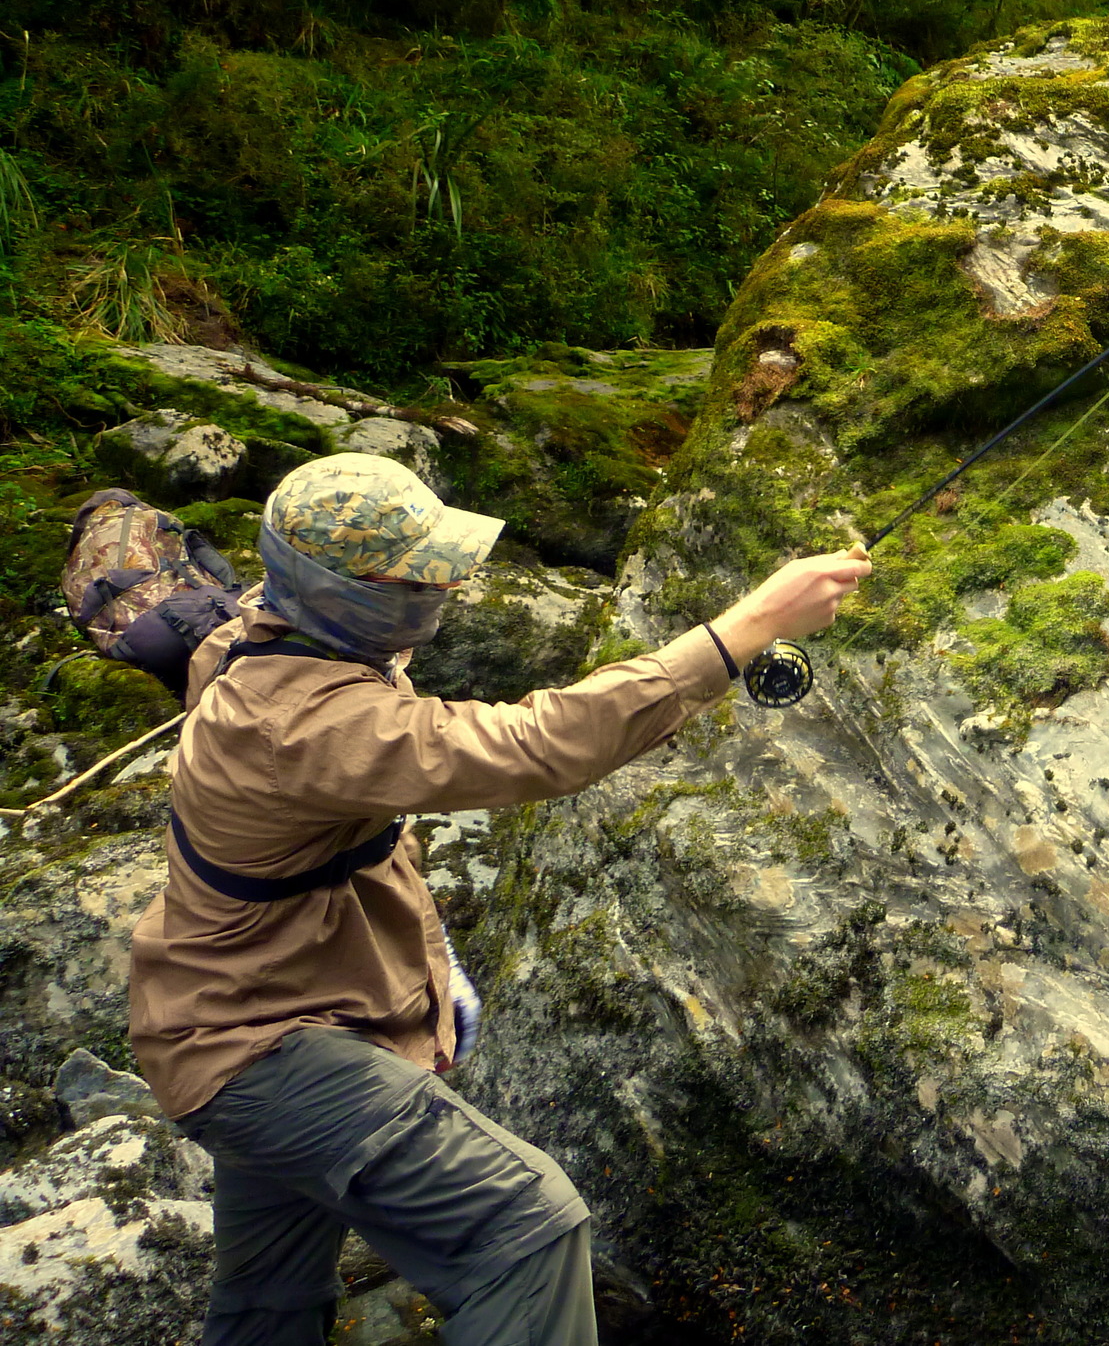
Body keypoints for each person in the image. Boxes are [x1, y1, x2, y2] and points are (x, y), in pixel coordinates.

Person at [125, 453, 870, 1346]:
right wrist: (743, 630)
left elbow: (359, 846)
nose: (441, 586)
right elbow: (533, 745)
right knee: (529, 1228)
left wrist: (433, 971)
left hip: (236, 1017)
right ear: (343, 591)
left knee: (271, 1300)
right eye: (415, 575)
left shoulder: (278, 640)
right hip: (258, 1050)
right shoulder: (307, 718)